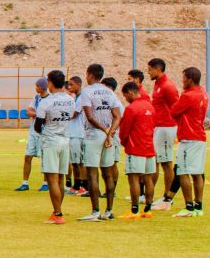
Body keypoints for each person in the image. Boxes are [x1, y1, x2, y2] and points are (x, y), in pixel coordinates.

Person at [77, 64, 124, 221]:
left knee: (92, 173)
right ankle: (109, 211)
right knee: (108, 173)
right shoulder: (109, 92)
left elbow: (89, 116)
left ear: (90, 75)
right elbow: (117, 115)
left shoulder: (87, 91)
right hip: (108, 135)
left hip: (94, 134)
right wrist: (110, 132)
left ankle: (95, 211)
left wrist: (104, 130)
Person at [35, 69, 77, 225]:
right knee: (61, 178)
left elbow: (37, 126)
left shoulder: (46, 102)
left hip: (51, 140)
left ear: (50, 83)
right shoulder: (70, 100)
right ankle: (57, 211)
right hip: (65, 139)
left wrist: (46, 129)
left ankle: (58, 214)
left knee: (52, 179)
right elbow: (70, 116)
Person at [170, 67, 209, 218]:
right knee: (198, 172)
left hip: (188, 138)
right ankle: (199, 206)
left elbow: (173, 112)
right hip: (200, 137)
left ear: (190, 79)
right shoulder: (203, 94)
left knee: (183, 172)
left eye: (184, 78)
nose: (182, 81)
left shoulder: (188, 96)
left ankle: (189, 207)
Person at [117, 82, 157, 220]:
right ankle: (148, 209)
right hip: (149, 147)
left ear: (130, 93)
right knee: (148, 178)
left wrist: (124, 143)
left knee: (133, 178)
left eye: (125, 96)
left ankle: (134, 210)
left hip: (135, 148)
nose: (125, 99)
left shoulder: (131, 109)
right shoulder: (150, 106)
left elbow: (124, 130)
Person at [148, 58, 181, 210]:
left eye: (150, 69)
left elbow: (176, 107)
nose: (148, 72)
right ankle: (158, 196)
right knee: (157, 161)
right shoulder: (158, 83)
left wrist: (176, 129)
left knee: (167, 163)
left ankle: (167, 199)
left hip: (167, 128)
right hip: (159, 127)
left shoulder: (168, 86)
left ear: (158, 69)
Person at [16, 78, 49, 192]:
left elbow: (47, 116)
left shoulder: (49, 99)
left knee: (44, 158)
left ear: (42, 87)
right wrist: (39, 114)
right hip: (33, 132)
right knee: (27, 156)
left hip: (44, 133)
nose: (35, 88)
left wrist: (37, 115)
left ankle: (45, 183)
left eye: (37, 86)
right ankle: (25, 183)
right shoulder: (36, 98)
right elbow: (28, 111)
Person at [65, 75, 87, 196]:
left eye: (71, 84)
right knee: (74, 161)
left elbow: (74, 114)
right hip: (73, 133)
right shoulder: (76, 97)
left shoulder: (82, 97)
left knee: (80, 162)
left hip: (78, 134)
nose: (69, 87)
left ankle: (84, 186)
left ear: (78, 85)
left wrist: (61, 114)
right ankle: (76, 185)